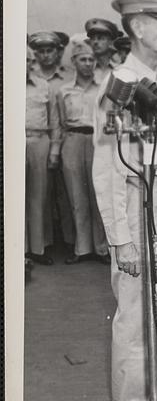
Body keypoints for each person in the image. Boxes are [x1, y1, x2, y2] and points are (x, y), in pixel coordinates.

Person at [92, 0, 157, 401]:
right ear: (136, 28)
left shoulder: (152, 78)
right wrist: (121, 239)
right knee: (136, 315)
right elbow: (107, 170)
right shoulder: (123, 85)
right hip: (137, 203)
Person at [54, 38, 110, 264]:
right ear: (74, 62)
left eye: (91, 59)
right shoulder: (64, 90)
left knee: (99, 196)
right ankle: (82, 248)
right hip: (73, 140)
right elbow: (58, 121)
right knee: (76, 196)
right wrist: (56, 151)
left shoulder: (103, 88)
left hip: (98, 142)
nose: (87, 63)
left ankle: (102, 248)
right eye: (82, 59)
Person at [25, 46, 60, 266]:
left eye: (27, 60)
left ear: (32, 62)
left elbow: (54, 120)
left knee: (38, 196)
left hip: (40, 141)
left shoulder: (43, 85)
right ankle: (20, 249)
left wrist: (54, 150)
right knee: (14, 197)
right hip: (12, 142)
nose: (24, 64)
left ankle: (38, 249)